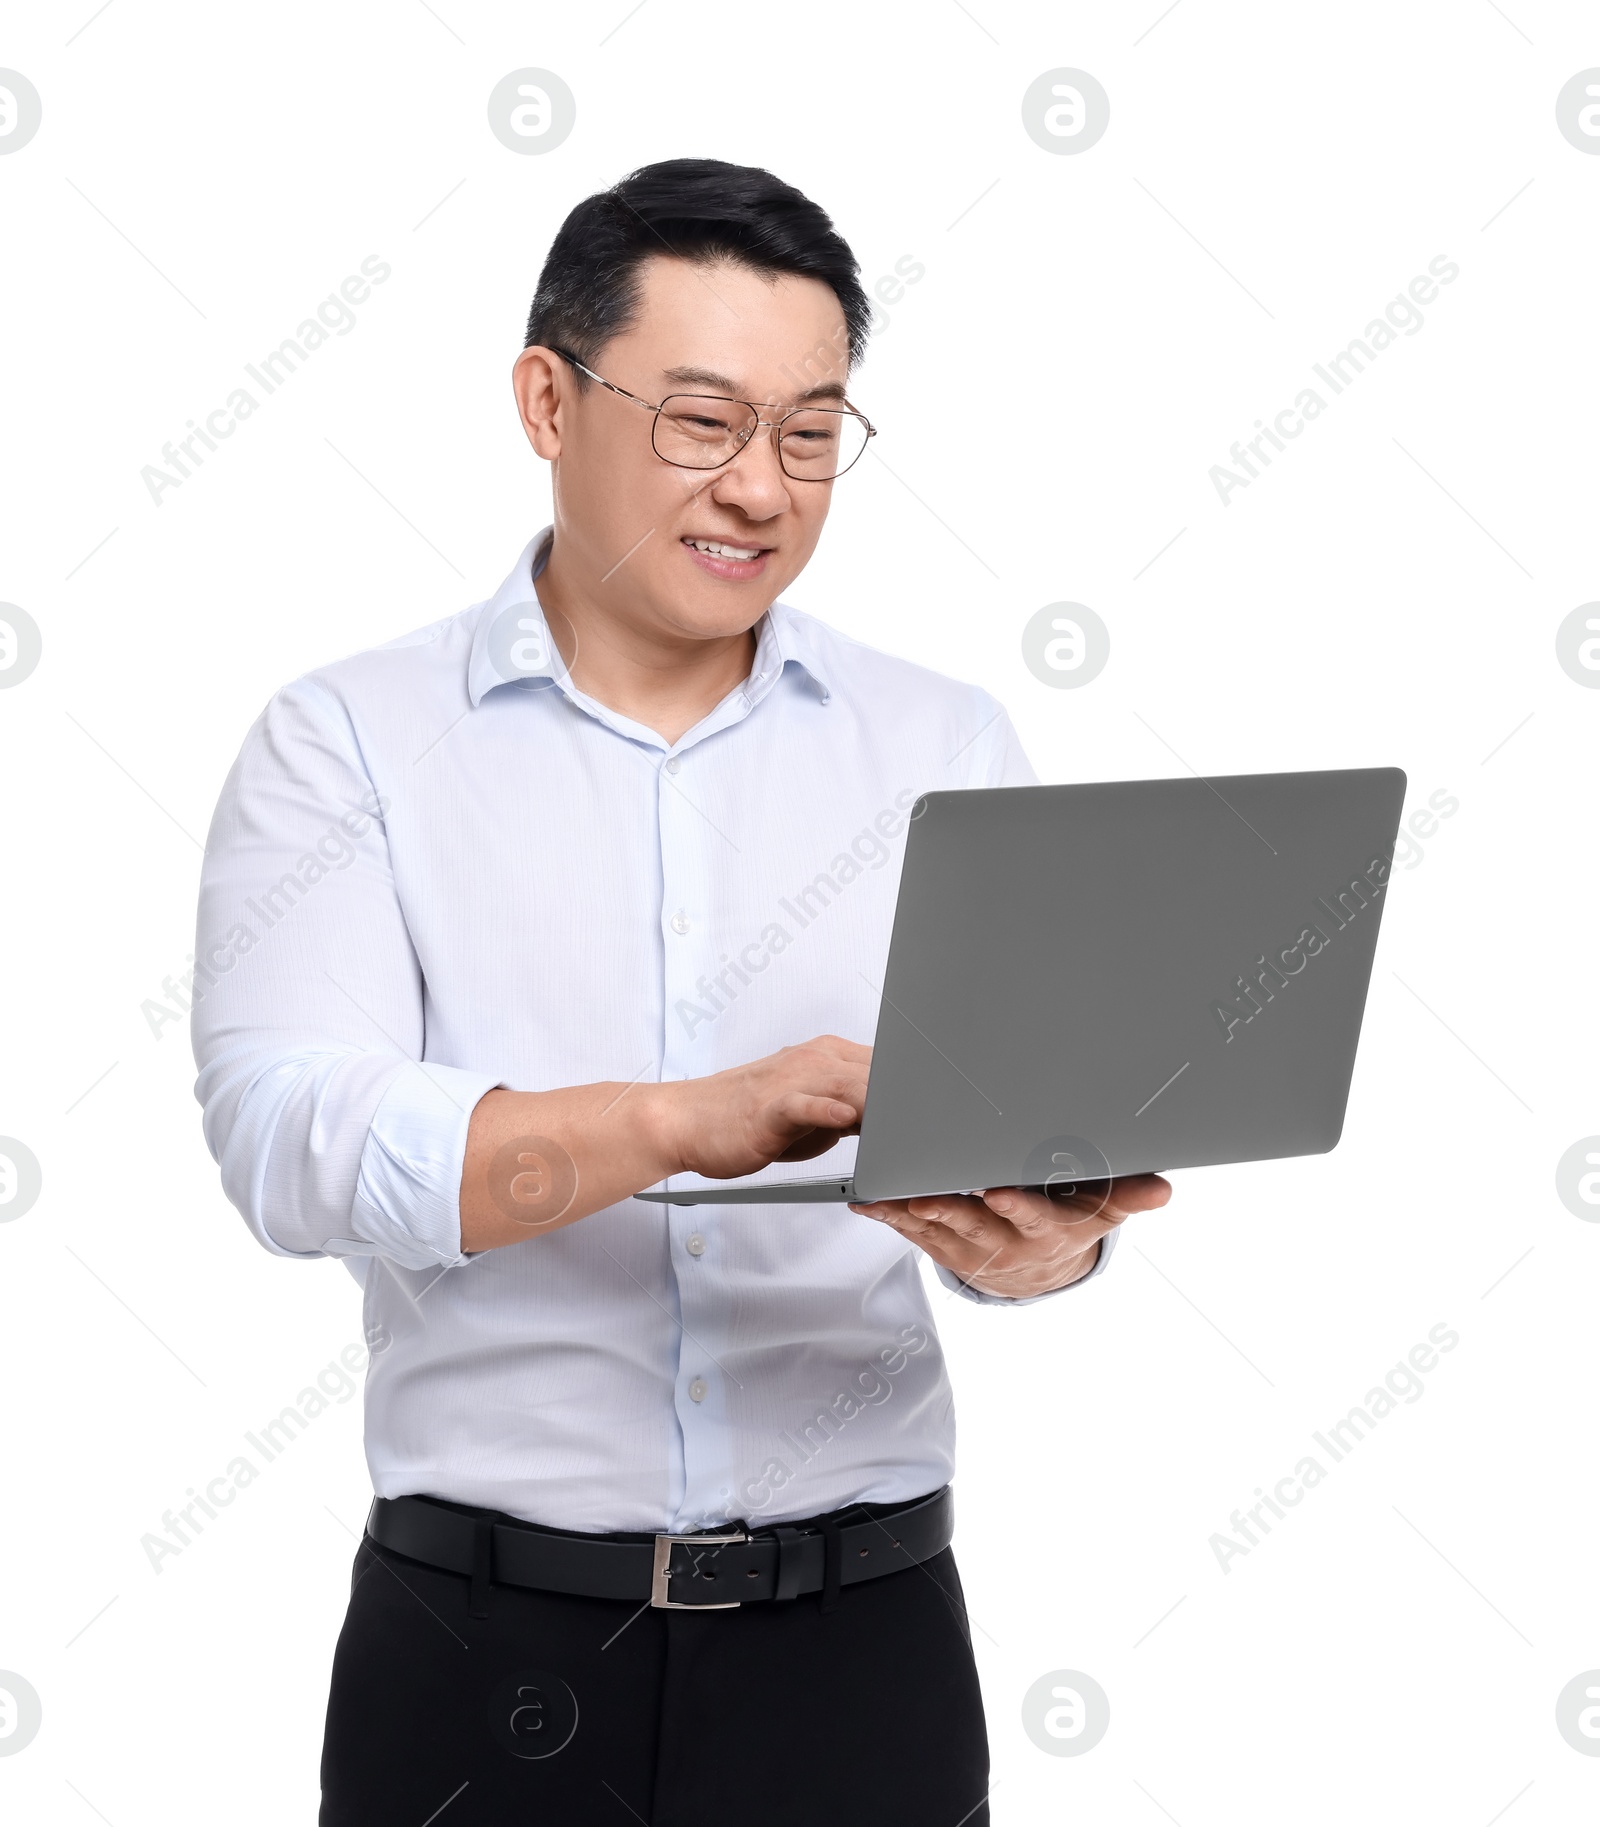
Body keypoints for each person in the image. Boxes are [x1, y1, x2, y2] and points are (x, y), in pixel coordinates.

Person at [191, 157, 1171, 1826]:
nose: (762, 488)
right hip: (483, 1648)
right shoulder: (347, 739)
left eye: (811, 431)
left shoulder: (942, 744)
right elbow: (291, 1145)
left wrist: (1046, 1249)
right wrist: (674, 1125)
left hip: (864, 1655)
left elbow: (1027, 1135)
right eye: (703, 421)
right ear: (545, 400)